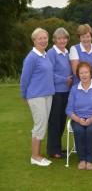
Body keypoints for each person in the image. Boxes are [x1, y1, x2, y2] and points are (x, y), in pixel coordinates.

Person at [20, 28, 55, 166]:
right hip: (36, 96)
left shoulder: (45, 55)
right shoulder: (31, 57)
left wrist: (65, 79)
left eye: (45, 38)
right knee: (40, 125)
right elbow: (24, 79)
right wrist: (24, 96)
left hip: (47, 95)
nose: (43, 40)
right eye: (40, 38)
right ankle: (35, 156)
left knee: (42, 124)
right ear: (34, 40)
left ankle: (38, 155)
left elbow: (50, 75)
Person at [66, 61, 92, 170]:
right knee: (79, 131)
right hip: (78, 119)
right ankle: (82, 159)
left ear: (91, 73)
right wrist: (77, 119)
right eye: (81, 73)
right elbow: (69, 109)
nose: (84, 75)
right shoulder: (74, 89)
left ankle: (90, 160)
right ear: (78, 74)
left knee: (91, 131)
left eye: (86, 72)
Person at [47, 28, 73, 159]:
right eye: (59, 38)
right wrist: (64, 80)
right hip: (56, 92)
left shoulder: (67, 53)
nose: (62, 40)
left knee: (62, 121)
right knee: (55, 122)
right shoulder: (51, 53)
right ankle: (53, 150)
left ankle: (57, 147)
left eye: (64, 38)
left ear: (67, 39)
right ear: (54, 40)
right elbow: (49, 73)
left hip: (66, 92)